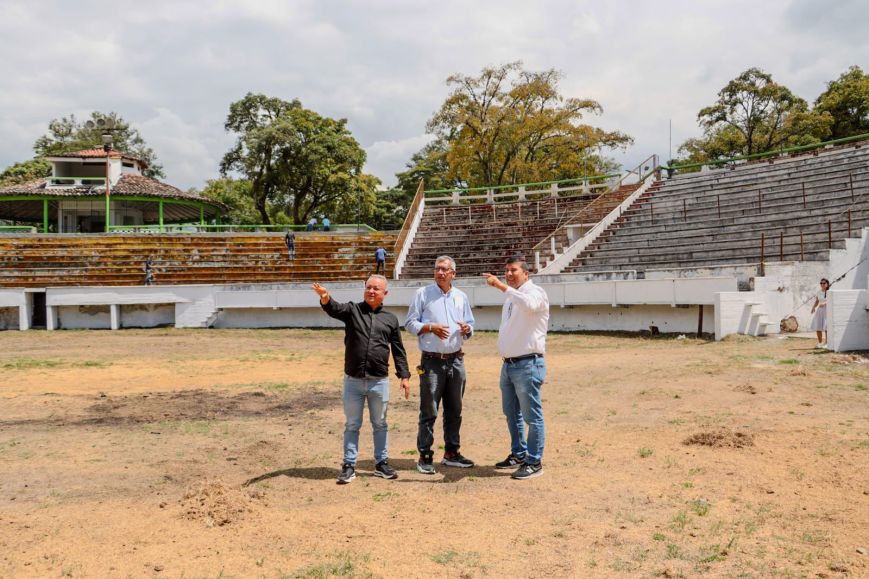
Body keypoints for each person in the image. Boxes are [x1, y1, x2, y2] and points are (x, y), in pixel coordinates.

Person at [312, 276, 411, 484]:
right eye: (368, 287)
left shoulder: (391, 319)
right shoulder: (352, 310)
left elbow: (398, 350)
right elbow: (334, 308)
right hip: (353, 381)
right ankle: (349, 466)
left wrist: (404, 376)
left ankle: (381, 463)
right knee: (352, 424)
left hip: (379, 381)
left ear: (385, 293)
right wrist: (325, 297)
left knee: (380, 424)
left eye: (376, 288)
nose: (371, 291)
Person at [405, 256, 476, 474]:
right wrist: (430, 327)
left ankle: (452, 453)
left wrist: (467, 329)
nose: (440, 272)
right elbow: (409, 323)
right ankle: (425, 455)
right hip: (432, 361)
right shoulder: (422, 294)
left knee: (455, 409)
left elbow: (471, 323)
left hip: (456, 360)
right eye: (437, 269)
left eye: (445, 269)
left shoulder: (461, 296)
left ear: (453, 274)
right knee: (429, 410)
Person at [483, 256, 550, 480]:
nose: (509, 274)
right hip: (509, 364)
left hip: (528, 363)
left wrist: (502, 287)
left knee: (532, 416)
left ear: (526, 274)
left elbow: (529, 305)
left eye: (513, 270)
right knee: (511, 413)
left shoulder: (536, 292)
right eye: (507, 271)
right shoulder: (512, 297)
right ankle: (519, 453)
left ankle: (534, 461)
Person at [810, 278, 830, 348]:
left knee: (827, 327)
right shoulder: (819, 292)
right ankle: (820, 342)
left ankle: (827, 343)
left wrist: (825, 304)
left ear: (827, 284)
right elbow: (817, 301)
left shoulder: (829, 292)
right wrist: (813, 307)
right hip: (820, 311)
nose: (822, 284)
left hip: (827, 311)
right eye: (821, 283)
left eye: (824, 283)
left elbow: (831, 300)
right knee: (818, 326)